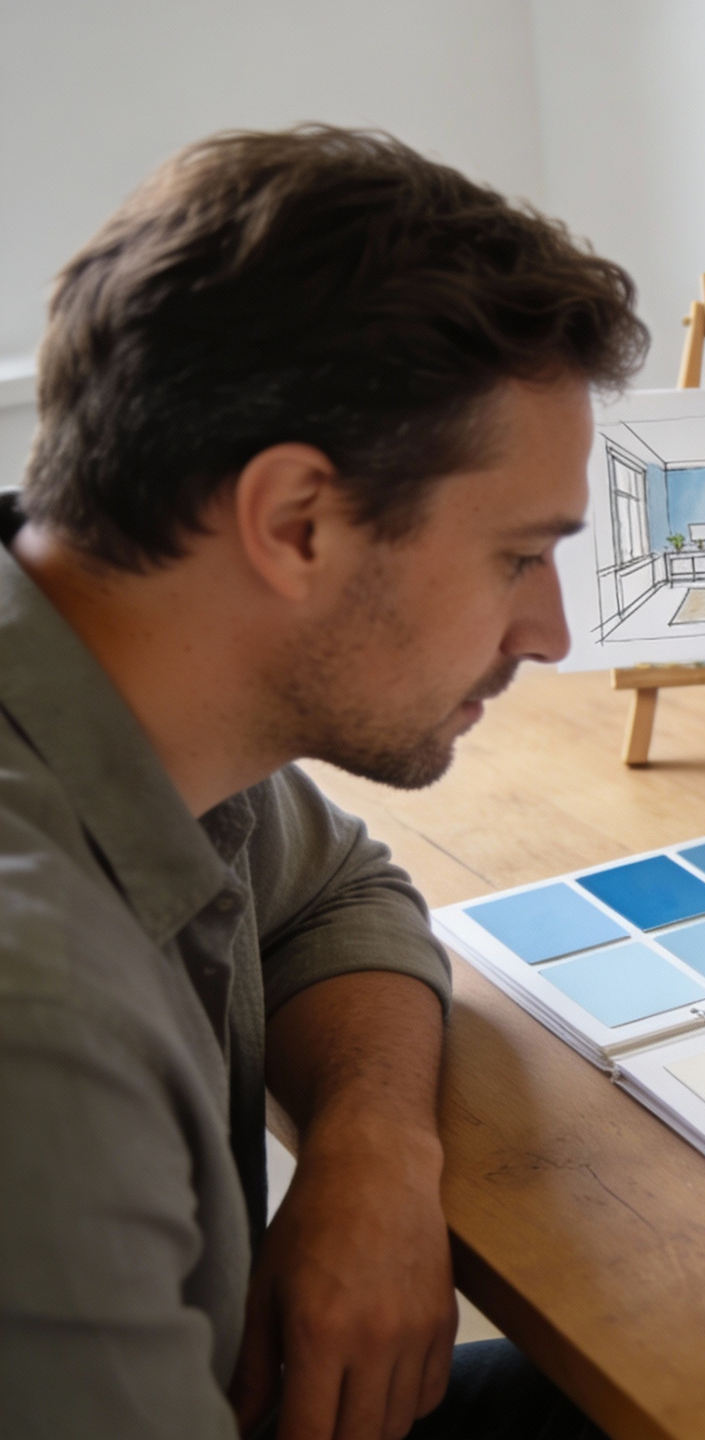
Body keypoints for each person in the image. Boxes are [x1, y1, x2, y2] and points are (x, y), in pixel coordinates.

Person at [0, 127, 646, 1437]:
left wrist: (371, 1149)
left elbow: (339, 893)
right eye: (518, 556)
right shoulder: (40, 1030)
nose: (550, 634)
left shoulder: (148, 698)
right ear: (296, 521)